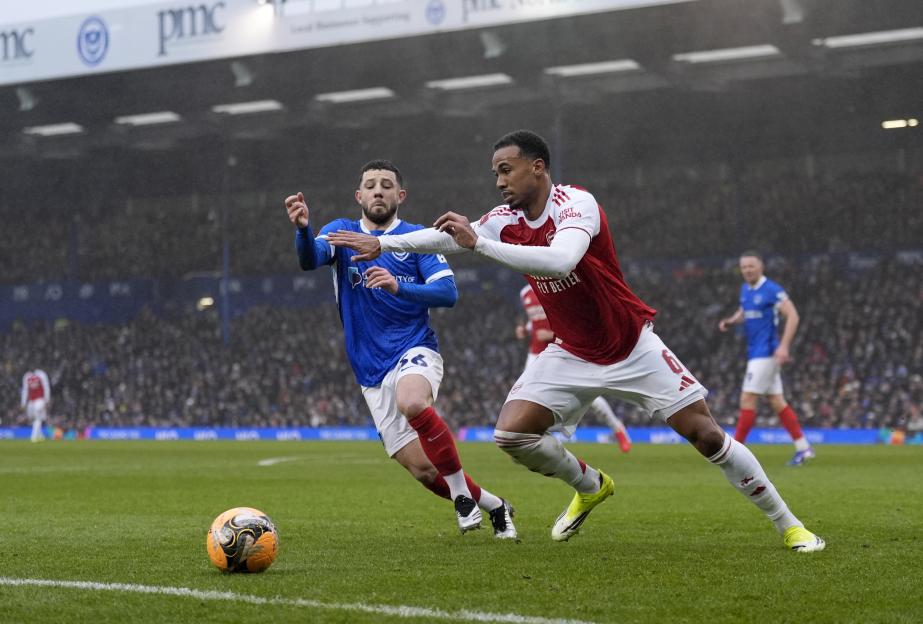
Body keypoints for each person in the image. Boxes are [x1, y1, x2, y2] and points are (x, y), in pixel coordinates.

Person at [327, 130, 825, 552]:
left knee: (707, 436)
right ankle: (589, 485)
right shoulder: (504, 221)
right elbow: (446, 240)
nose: (498, 181)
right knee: (512, 435)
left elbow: (560, 260)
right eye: (495, 172)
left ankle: (791, 526)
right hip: (569, 350)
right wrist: (386, 243)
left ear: (537, 168)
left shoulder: (576, 204)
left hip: (630, 344)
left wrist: (480, 245)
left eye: (506, 170)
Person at [284, 159, 516, 539]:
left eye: (386, 184)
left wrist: (398, 286)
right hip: (369, 369)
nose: (378, 190)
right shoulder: (340, 232)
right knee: (425, 471)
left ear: (400, 195)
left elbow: (448, 293)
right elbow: (310, 258)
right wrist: (303, 229)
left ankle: (461, 495)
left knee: (413, 402)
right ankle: (495, 506)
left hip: (414, 348)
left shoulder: (418, 238)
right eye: (371, 185)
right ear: (358, 195)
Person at [719, 252, 816, 466]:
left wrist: (784, 346)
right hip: (756, 352)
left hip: (766, 353)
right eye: (743, 267)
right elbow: (745, 311)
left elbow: (793, 315)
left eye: (751, 266)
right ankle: (804, 448)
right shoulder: (745, 289)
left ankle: (735, 453)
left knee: (747, 399)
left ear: (761, 266)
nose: (747, 270)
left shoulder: (772, 290)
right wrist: (731, 321)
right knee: (776, 401)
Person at [516, 282, 631, 453]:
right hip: (536, 353)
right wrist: (525, 330)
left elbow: (574, 319)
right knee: (523, 395)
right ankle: (525, 439)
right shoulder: (524, 292)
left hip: (563, 350)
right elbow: (536, 321)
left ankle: (617, 428)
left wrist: (552, 334)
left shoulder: (553, 284)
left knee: (590, 397)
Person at [21, 368, 50, 443]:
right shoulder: (27, 376)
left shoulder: (41, 374)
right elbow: (25, 389)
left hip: (40, 400)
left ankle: (33, 437)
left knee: (38, 418)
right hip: (31, 401)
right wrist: (23, 402)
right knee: (33, 418)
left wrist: (47, 399)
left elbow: (46, 386)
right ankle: (40, 435)